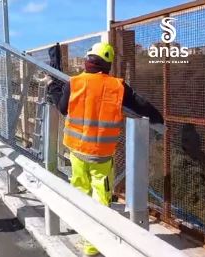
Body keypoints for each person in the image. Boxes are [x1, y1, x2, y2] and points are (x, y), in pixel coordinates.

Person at [47, 42, 164, 256]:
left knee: (79, 188)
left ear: (88, 60)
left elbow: (63, 107)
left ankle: (79, 225)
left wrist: (53, 89)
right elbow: (141, 105)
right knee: (101, 195)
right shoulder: (117, 86)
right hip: (101, 153)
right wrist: (160, 122)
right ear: (107, 64)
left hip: (76, 149)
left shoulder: (75, 83)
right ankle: (92, 246)